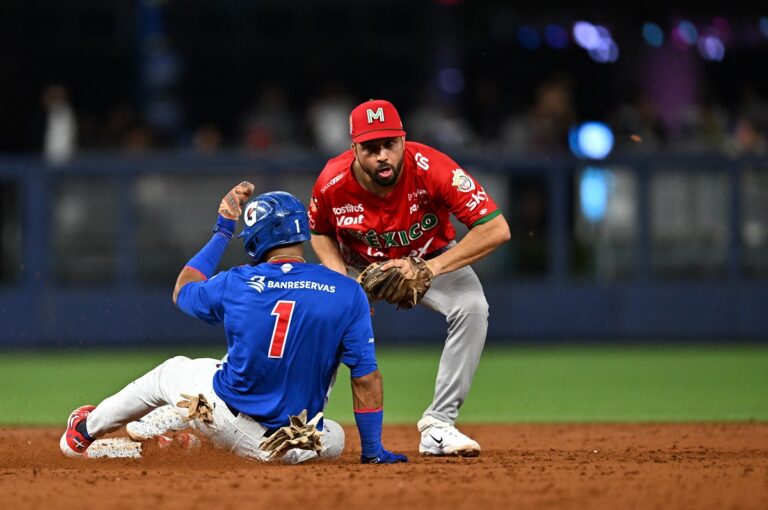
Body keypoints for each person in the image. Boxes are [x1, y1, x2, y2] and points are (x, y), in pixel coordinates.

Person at [59, 183, 407, 465]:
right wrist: (373, 452)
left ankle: (84, 432)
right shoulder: (347, 292)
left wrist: (223, 228)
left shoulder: (238, 281)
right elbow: (365, 378)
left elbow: (183, 289)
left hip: (226, 419)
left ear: (257, 239)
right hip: (286, 448)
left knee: (172, 371)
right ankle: (175, 423)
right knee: (335, 436)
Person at [308, 99, 511, 457]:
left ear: (404, 140)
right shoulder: (332, 181)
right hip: (358, 266)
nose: (383, 155)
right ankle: (306, 425)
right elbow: (319, 231)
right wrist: (341, 284)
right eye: (371, 148)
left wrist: (429, 268)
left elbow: (496, 228)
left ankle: (438, 425)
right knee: (324, 316)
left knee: (473, 306)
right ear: (353, 149)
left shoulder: (434, 168)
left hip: (430, 256)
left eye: (390, 144)